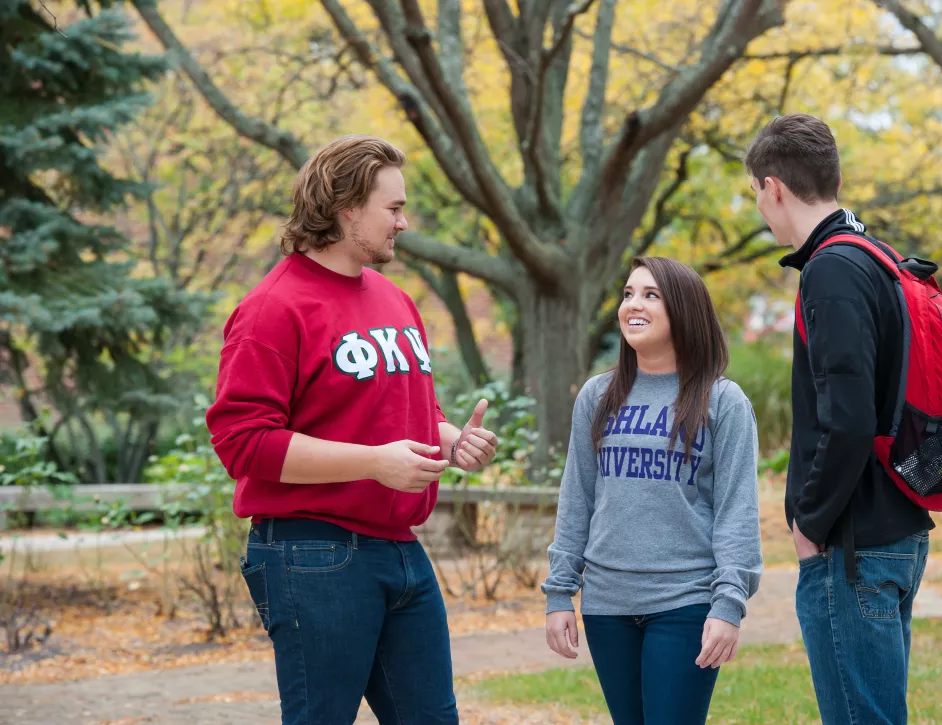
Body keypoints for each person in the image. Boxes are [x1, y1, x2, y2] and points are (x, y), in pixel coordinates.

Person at [205, 134, 499, 725]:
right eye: (392, 208)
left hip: (401, 550)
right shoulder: (272, 308)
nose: (404, 222)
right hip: (311, 553)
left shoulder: (396, 300)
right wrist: (373, 463)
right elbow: (242, 443)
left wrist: (449, 440)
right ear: (346, 210)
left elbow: (407, 414)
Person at [744, 113, 933, 725]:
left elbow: (847, 420)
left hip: (853, 547)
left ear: (773, 186)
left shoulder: (830, 271)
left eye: (756, 194)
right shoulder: (875, 256)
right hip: (891, 530)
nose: (761, 209)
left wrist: (811, 521)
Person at [541, 256, 763, 725]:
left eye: (649, 294)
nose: (632, 305)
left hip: (685, 600)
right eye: (627, 294)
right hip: (607, 604)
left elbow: (736, 513)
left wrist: (728, 605)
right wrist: (560, 593)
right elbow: (577, 497)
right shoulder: (597, 396)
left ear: (682, 310)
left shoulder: (723, 401)